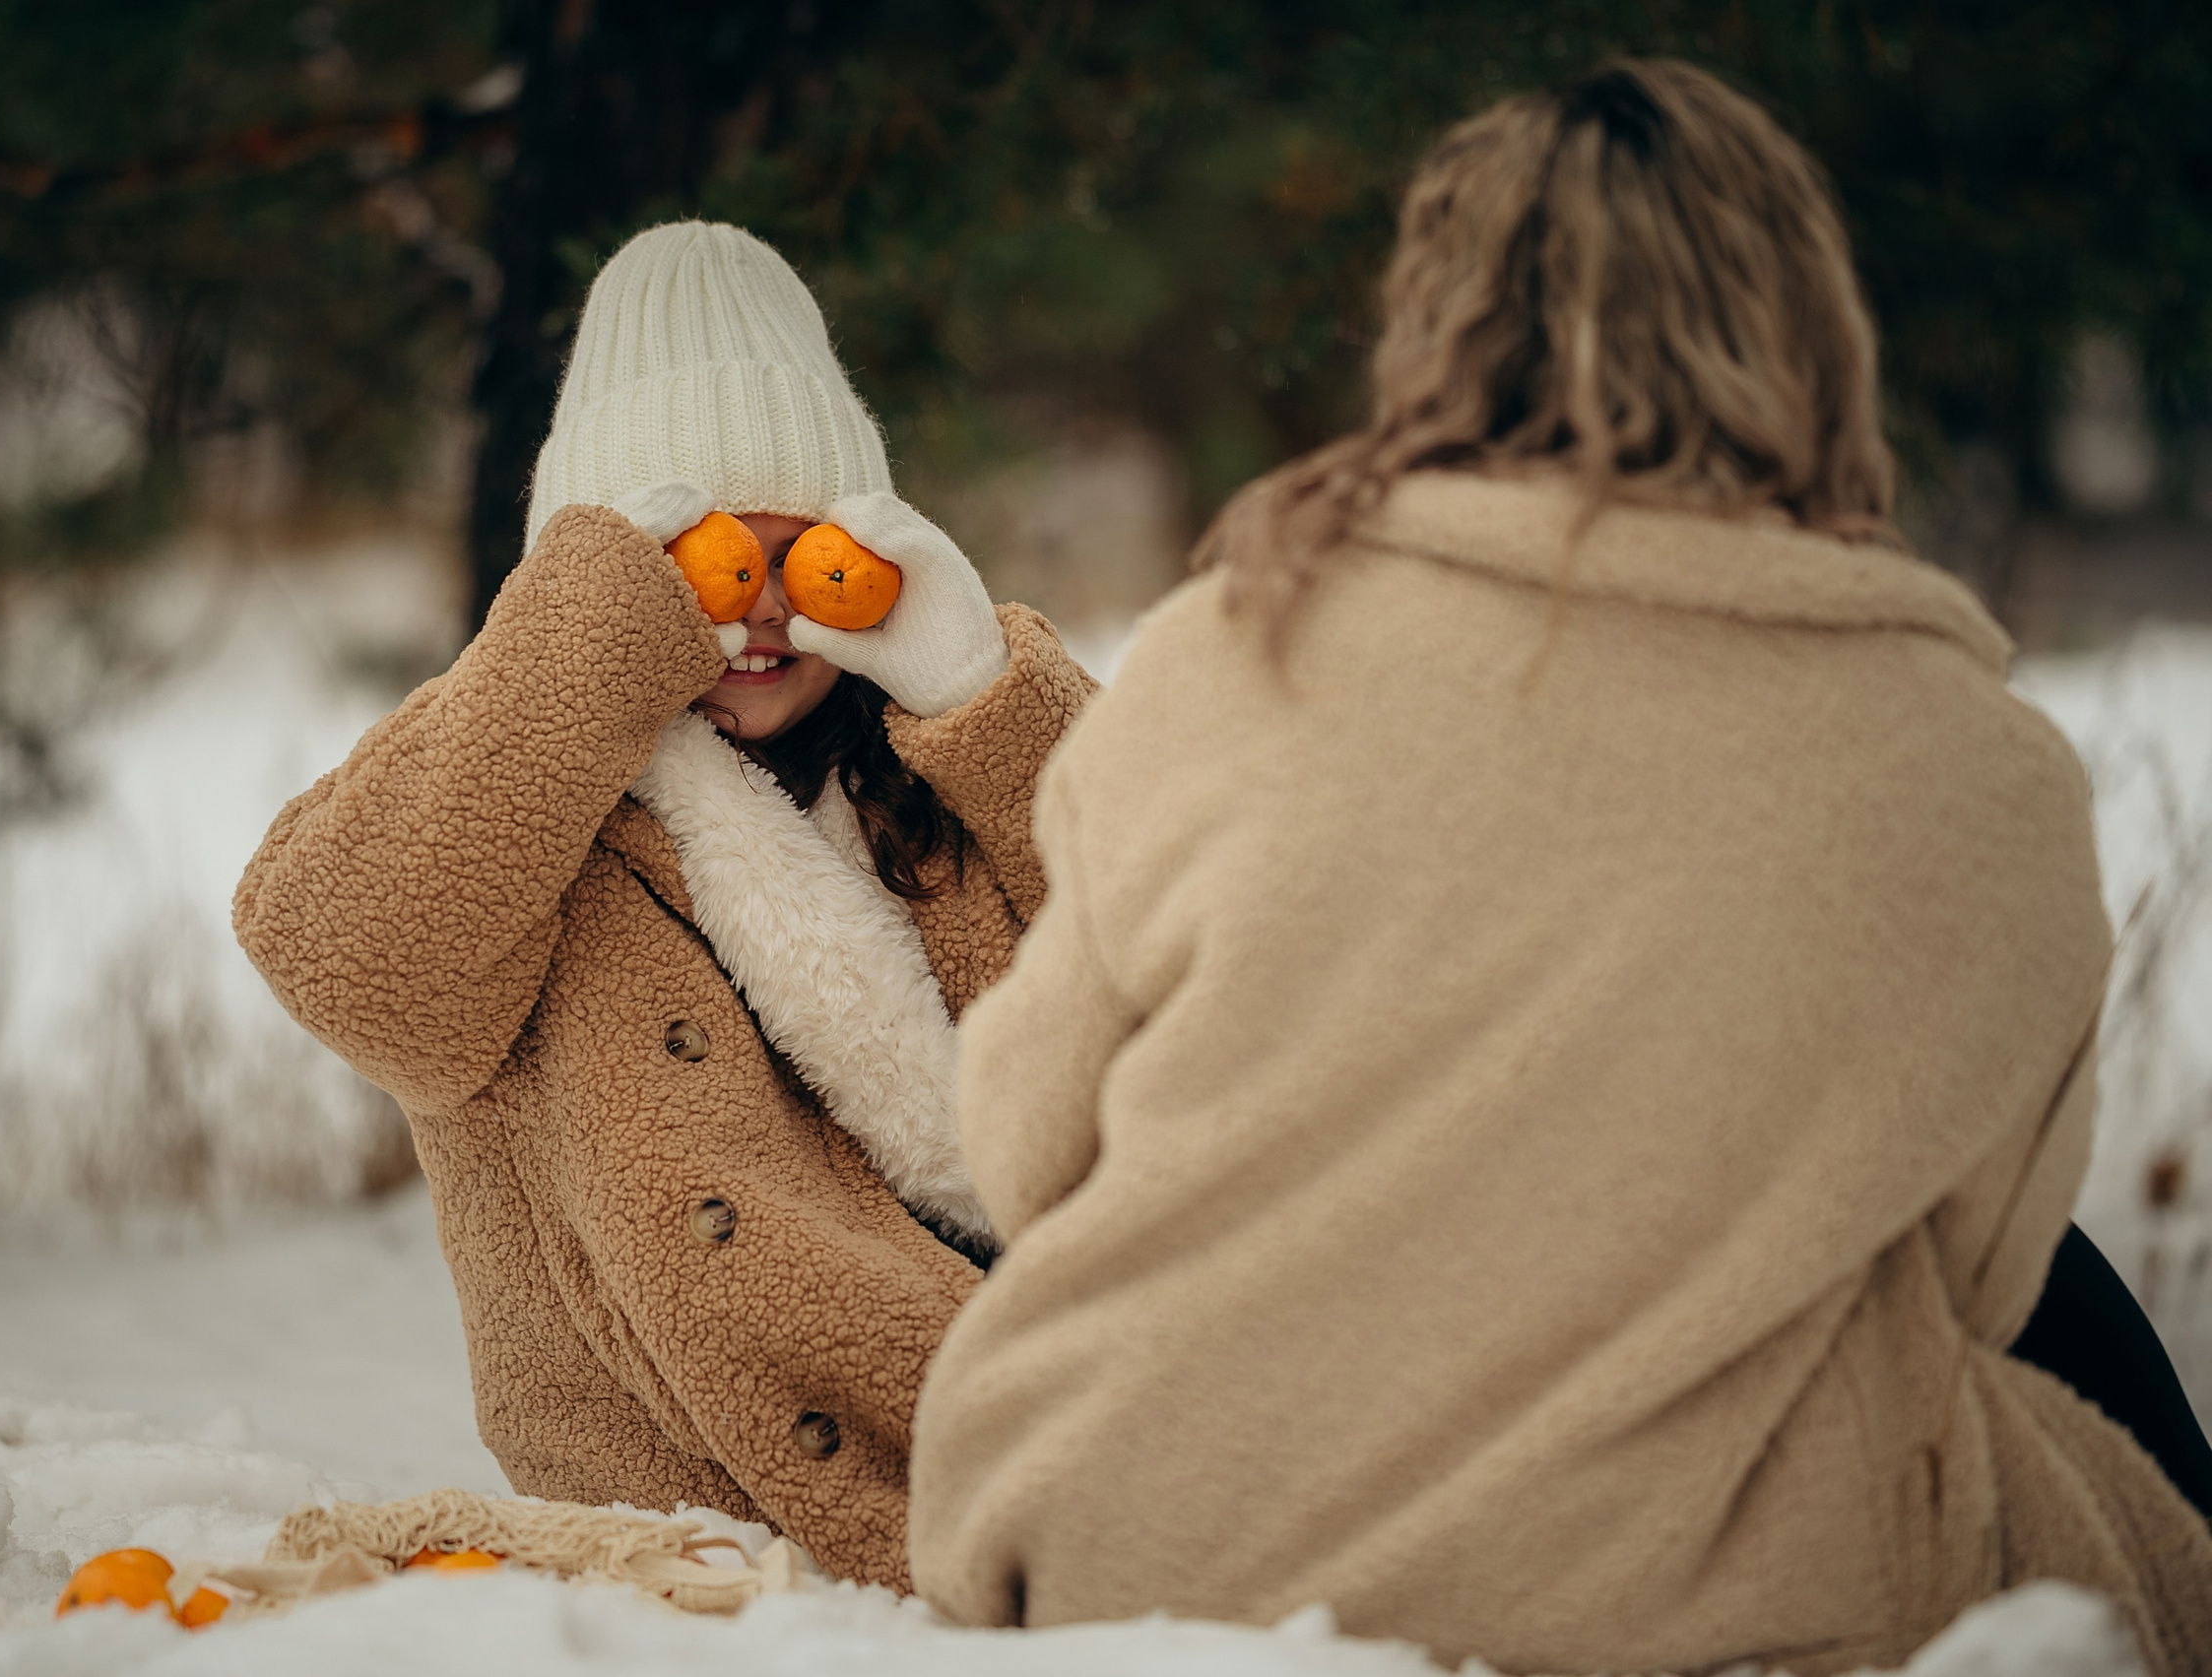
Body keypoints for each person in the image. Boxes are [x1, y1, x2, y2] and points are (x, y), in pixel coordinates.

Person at [906, 60, 2212, 1674]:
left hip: (1127, 1530)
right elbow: (1983, 1271)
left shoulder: (1236, 649)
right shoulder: (1977, 773)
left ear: (1435, 323)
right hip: (1703, 1559)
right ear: (1811, 330)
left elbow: (1028, 1151)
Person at [235, 222, 1095, 1588]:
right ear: (606, 573)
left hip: (1064, 1409)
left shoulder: (943, 762)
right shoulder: (510, 798)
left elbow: (1202, 970)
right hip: (718, 1532)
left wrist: (990, 700)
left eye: (792, 552)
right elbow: (349, 965)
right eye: (707, 564)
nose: (756, 615)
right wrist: (587, 638)